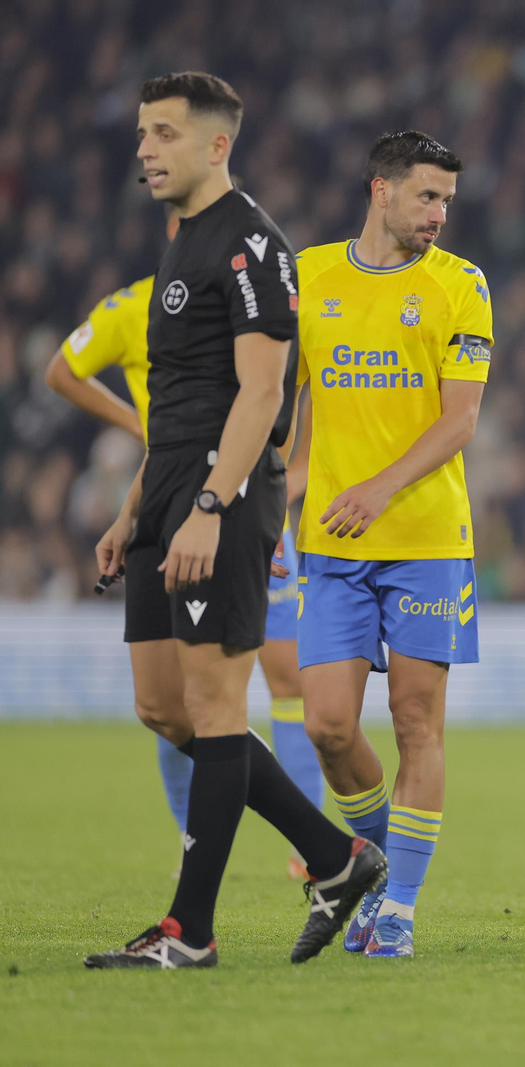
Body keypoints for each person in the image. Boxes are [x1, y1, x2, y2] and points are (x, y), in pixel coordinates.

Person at [85, 71, 385, 970]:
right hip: (164, 493)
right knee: (163, 708)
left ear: (217, 145)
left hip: (222, 501)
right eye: (143, 131)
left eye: (165, 133)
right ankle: (337, 858)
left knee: (216, 707)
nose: (145, 147)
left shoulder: (254, 245)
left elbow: (262, 393)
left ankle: (191, 931)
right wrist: (134, 506)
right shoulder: (181, 241)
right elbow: (173, 401)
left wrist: (212, 505)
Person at [47, 203, 324, 883]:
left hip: (234, 494)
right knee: (167, 702)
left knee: (274, 674)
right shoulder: (136, 308)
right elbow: (62, 371)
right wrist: (137, 431)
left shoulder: (259, 299)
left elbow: (285, 403)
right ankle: (218, 836)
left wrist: (278, 486)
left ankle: (313, 848)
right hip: (163, 487)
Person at [291, 131, 491, 960]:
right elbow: (287, 407)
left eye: (446, 199)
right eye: (426, 196)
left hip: (426, 539)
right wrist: (275, 497)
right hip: (330, 542)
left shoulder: (461, 285)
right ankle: (372, 858)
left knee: (416, 720)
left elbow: (461, 419)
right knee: (328, 725)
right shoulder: (306, 277)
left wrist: (379, 486)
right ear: (380, 189)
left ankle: (399, 906)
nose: (440, 214)